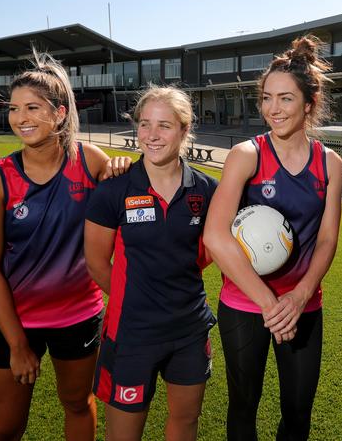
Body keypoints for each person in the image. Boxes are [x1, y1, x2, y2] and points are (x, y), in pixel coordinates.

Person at [0, 52, 127, 441]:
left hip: (78, 316)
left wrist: (120, 166)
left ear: (60, 113)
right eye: (14, 108)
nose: (20, 117)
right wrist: (16, 344)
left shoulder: (89, 161)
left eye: (32, 107)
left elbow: (130, 201)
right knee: (1, 430)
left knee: (78, 405)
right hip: (13, 320)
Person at [203, 35, 342, 441]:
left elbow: (327, 239)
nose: (273, 109)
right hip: (246, 305)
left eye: (285, 99)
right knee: (243, 408)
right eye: (266, 98)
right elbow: (215, 234)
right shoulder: (247, 154)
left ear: (309, 103)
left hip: (302, 306)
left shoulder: (329, 163)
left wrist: (297, 299)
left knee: (298, 412)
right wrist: (269, 304)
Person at [84, 86, 217, 441]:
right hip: (132, 333)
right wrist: (138, 298)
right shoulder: (114, 189)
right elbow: (96, 262)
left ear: (185, 129)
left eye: (164, 126)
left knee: (186, 422)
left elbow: (205, 254)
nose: (152, 136)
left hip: (189, 329)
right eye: (144, 125)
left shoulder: (207, 190)